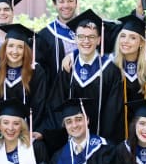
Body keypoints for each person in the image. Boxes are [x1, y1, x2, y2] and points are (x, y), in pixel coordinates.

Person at [45, 9, 123, 152]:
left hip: (100, 144)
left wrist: (103, 144)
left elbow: (113, 112)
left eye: (91, 37)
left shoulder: (110, 70)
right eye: (81, 37)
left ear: (99, 40)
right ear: (75, 38)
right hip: (72, 144)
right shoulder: (68, 67)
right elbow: (57, 103)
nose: (86, 41)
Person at [0, 24, 47, 140]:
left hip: (26, 132)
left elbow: (39, 104)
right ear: (4, 48)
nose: (15, 51)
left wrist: (32, 129)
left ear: (26, 50)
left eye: (20, 47)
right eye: (11, 46)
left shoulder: (35, 71)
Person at [112, 15, 146, 141]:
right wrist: (72, 55)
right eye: (123, 36)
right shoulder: (111, 67)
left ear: (141, 43)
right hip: (117, 135)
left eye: (133, 37)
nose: (126, 41)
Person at [36, 0, 84, 87]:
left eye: (70, 0)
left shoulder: (90, 29)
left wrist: (73, 54)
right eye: (61, 1)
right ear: (54, 4)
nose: (66, 5)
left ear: (76, 2)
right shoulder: (45, 35)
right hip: (57, 96)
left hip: (88, 92)